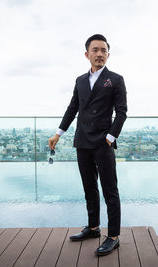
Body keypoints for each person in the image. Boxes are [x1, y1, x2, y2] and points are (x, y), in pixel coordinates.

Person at [48, 34, 127, 256]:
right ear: (87, 54)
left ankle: (113, 236)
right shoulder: (80, 80)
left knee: (110, 190)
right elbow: (72, 108)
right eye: (95, 50)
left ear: (108, 55)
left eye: (104, 50)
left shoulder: (116, 79)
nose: (100, 54)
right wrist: (58, 134)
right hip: (82, 141)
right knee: (89, 188)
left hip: (103, 142)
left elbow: (122, 112)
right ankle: (93, 228)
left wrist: (110, 138)